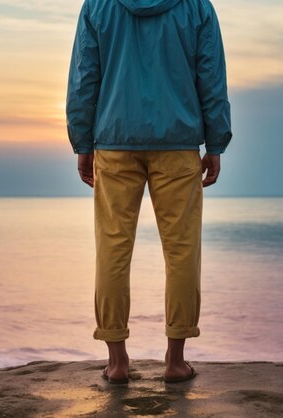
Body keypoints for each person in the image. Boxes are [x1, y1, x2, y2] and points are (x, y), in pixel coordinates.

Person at [66, 0, 232, 384]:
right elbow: (211, 74)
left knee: (112, 250)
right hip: (178, 143)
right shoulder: (196, 7)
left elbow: (84, 77)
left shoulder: (98, 5)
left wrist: (82, 142)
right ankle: (175, 361)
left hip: (114, 141)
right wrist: (216, 142)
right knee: (182, 252)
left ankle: (117, 362)